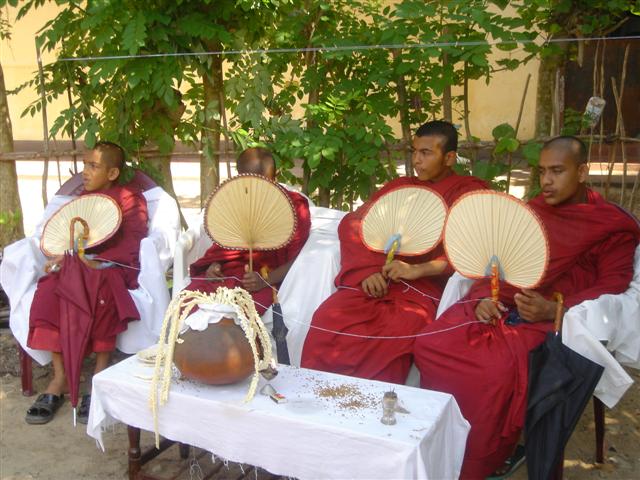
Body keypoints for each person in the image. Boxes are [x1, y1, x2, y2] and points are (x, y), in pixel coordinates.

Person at [413, 136, 640, 479]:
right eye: (542, 171)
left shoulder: (609, 225)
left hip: (556, 317)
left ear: (581, 172)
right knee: (432, 341)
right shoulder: (533, 213)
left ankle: (482, 456)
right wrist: (483, 300)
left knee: (492, 368)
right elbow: (499, 265)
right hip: (502, 303)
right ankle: (440, 443)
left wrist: (554, 309)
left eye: (557, 171)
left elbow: (612, 287)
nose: (546, 180)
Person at [300, 120, 488, 384]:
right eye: (414, 152)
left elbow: (470, 249)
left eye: (426, 153)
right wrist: (368, 270)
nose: (416, 161)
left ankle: (372, 407)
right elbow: (355, 223)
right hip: (378, 278)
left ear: (449, 158)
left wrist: (416, 269)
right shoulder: (400, 187)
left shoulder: (467, 193)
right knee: (328, 318)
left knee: (395, 331)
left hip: (421, 287)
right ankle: (317, 394)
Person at [26, 141, 149, 424]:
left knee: (101, 295)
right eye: (84, 165)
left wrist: (95, 261)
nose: (85, 172)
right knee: (48, 290)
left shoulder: (130, 199)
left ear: (113, 173)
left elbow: (132, 244)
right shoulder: (81, 199)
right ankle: (59, 379)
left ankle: (98, 377)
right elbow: (70, 240)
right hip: (74, 266)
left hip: (108, 269)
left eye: (93, 166)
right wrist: (62, 257)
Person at [186, 147, 311, 314]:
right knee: (186, 303)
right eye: (248, 182)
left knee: (241, 317)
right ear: (239, 178)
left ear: (275, 177)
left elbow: (298, 259)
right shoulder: (235, 200)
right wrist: (214, 265)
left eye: (263, 183)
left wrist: (264, 281)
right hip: (230, 272)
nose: (255, 190)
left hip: (269, 279)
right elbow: (223, 247)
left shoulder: (294, 206)